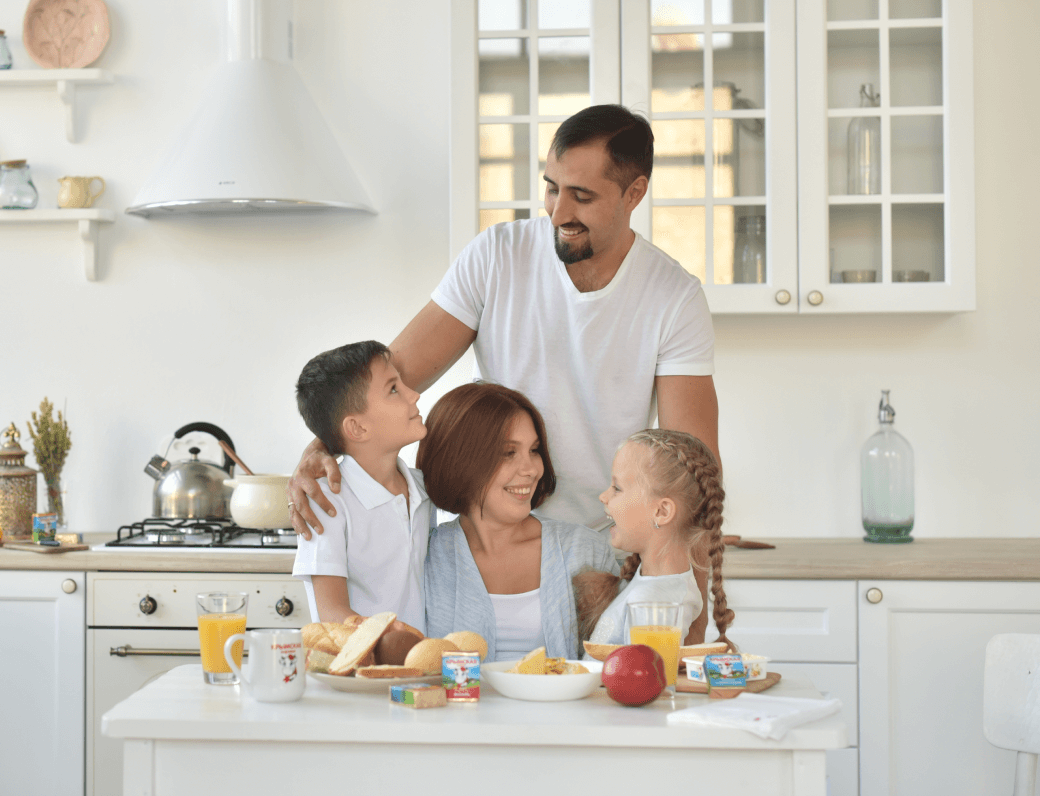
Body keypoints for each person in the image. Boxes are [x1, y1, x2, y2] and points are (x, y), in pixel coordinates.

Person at [288, 103, 720, 641]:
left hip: (597, 552)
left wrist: (693, 623)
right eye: (551, 188)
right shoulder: (497, 256)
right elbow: (384, 384)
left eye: (582, 196)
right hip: (484, 544)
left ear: (634, 193)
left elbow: (690, 472)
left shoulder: (674, 298)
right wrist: (323, 445)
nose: (559, 211)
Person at [419, 382, 616, 662]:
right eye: (508, 452)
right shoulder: (425, 556)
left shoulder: (584, 550)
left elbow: (612, 663)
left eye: (534, 450)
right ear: (460, 459)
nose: (532, 469)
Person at [290, 340, 433, 632]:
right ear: (357, 428)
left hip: (422, 658)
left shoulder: (423, 488)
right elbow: (332, 611)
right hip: (359, 661)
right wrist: (396, 639)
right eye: (393, 389)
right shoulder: (327, 501)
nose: (414, 394)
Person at [575, 429, 735, 647]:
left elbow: (647, 670)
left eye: (617, 488)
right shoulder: (657, 589)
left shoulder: (655, 605)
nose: (603, 496)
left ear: (661, 512)